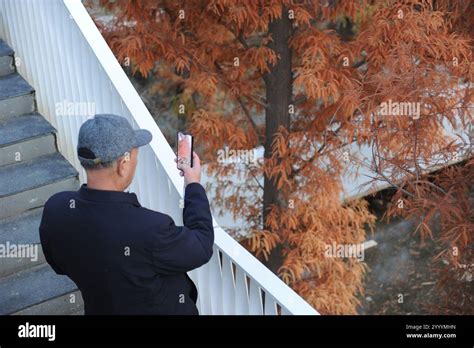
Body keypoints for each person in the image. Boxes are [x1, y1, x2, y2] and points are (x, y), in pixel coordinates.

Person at [39, 113, 214, 315]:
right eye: (135, 157)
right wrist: (193, 184)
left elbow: (59, 265)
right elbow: (201, 244)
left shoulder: (57, 208)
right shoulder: (150, 229)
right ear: (123, 165)